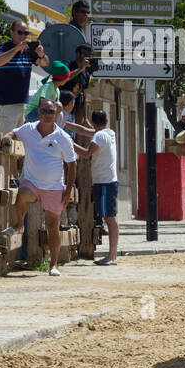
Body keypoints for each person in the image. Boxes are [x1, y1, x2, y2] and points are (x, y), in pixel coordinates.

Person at [0, 99, 76, 276]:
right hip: (32, 182)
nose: (47, 114)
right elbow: (13, 132)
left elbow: (72, 165)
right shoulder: (29, 129)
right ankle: (18, 224)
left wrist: (68, 190)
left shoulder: (63, 137)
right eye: (44, 111)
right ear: (39, 112)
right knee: (22, 194)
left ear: (56, 113)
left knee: (53, 225)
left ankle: (53, 265)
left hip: (54, 187)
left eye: (51, 111)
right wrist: (6, 138)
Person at [76, 109, 119, 265]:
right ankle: (112, 255)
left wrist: (68, 143)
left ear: (94, 123)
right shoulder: (109, 133)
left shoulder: (99, 136)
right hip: (107, 181)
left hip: (105, 182)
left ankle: (112, 256)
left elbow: (87, 154)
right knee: (109, 217)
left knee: (110, 218)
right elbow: (83, 130)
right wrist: (66, 126)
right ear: (106, 121)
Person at [0, 22, 45, 132]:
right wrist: (17, 48)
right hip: (7, 103)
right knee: (6, 143)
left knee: (18, 143)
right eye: (20, 32)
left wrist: (42, 55)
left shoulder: (29, 51)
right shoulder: (5, 47)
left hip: (22, 103)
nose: (23, 36)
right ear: (12, 33)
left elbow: (45, 63)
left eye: (26, 33)